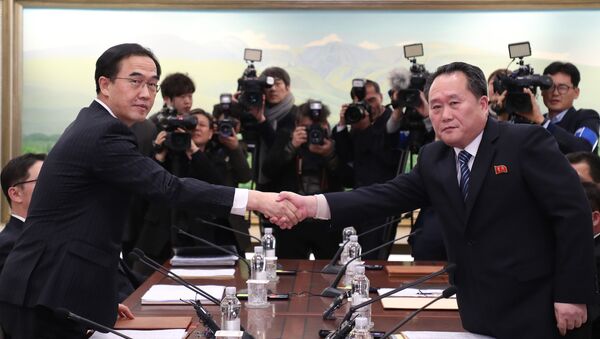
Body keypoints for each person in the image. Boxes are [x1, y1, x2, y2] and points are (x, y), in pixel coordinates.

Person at [277, 62, 596, 338]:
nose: (444, 115)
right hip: (477, 308)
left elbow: (573, 214)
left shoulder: (524, 142)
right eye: (436, 106)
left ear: (484, 104)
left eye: (455, 103)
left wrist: (572, 294)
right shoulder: (435, 156)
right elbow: (383, 196)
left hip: (538, 307)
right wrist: (311, 205)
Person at [0, 43, 298, 339]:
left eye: (153, 85)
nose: (146, 93)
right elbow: (168, 187)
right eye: (136, 81)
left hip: (55, 290)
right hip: (44, 293)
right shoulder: (103, 131)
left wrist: (95, 297)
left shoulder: (95, 124)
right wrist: (256, 198)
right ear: (105, 84)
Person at [0, 153, 136, 323]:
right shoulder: (9, 244)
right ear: (15, 194)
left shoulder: (56, 234)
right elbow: (36, 302)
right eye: (45, 181)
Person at [261, 100, 345, 259]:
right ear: (296, 124)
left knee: (330, 271)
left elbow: (347, 178)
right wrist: (291, 146)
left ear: (326, 124)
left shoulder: (332, 140)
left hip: (327, 219)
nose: (314, 132)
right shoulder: (286, 136)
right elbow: (269, 170)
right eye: (307, 128)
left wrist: (329, 154)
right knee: (290, 273)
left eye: (318, 126)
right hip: (291, 219)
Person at [332, 80, 403, 259]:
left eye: (371, 100)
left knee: (373, 257)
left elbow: (387, 158)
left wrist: (366, 130)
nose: (367, 105)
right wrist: (342, 125)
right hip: (358, 198)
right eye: (362, 101)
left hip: (383, 201)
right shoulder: (357, 119)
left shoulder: (392, 120)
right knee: (352, 255)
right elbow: (346, 156)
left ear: (380, 97)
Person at [515, 62, 600, 154]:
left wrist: (543, 122)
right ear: (542, 92)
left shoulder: (587, 117)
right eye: (549, 87)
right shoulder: (533, 122)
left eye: (562, 88)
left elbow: (584, 148)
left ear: (576, 92)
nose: (555, 93)